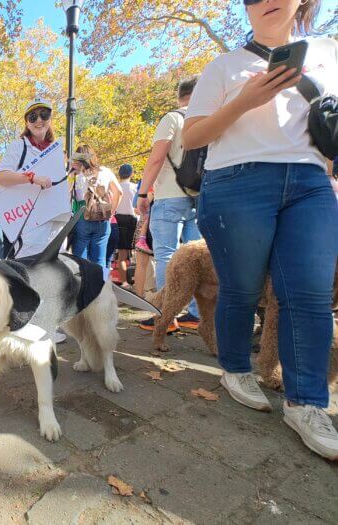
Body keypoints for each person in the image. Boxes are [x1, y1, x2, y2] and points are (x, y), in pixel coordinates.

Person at [183, 0, 338, 459]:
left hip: (310, 181)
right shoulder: (225, 65)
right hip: (237, 181)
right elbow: (192, 137)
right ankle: (235, 367)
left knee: (309, 294)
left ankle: (307, 401)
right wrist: (246, 100)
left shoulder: (329, 52)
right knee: (242, 288)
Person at [137, 77, 202, 332]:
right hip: (198, 196)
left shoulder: (172, 118)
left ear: (180, 95)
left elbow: (156, 158)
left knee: (167, 255)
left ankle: (165, 314)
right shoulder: (205, 121)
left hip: (169, 196)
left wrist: (143, 194)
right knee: (196, 257)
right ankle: (196, 314)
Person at [0, 98, 71, 259]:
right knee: (30, 267)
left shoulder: (56, 149)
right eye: (33, 117)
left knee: (57, 267)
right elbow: (0, 177)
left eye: (44, 115)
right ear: (27, 122)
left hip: (57, 218)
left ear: (50, 118)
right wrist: (32, 178)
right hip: (30, 221)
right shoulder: (19, 146)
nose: (39, 120)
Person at [70, 146, 122, 269]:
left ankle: (82, 286)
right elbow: (119, 192)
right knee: (99, 260)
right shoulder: (105, 171)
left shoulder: (75, 173)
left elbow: (67, 193)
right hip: (102, 216)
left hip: (82, 215)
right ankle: (99, 286)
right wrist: (111, 212)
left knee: (79, 261)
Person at [115, 164, 137, 287]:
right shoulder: (134, 187)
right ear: (131, 174)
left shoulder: (115, 186)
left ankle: (124, 282)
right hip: (132, 219)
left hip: (118, 219)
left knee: (121, 254)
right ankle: (139, 282)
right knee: (138, 253)